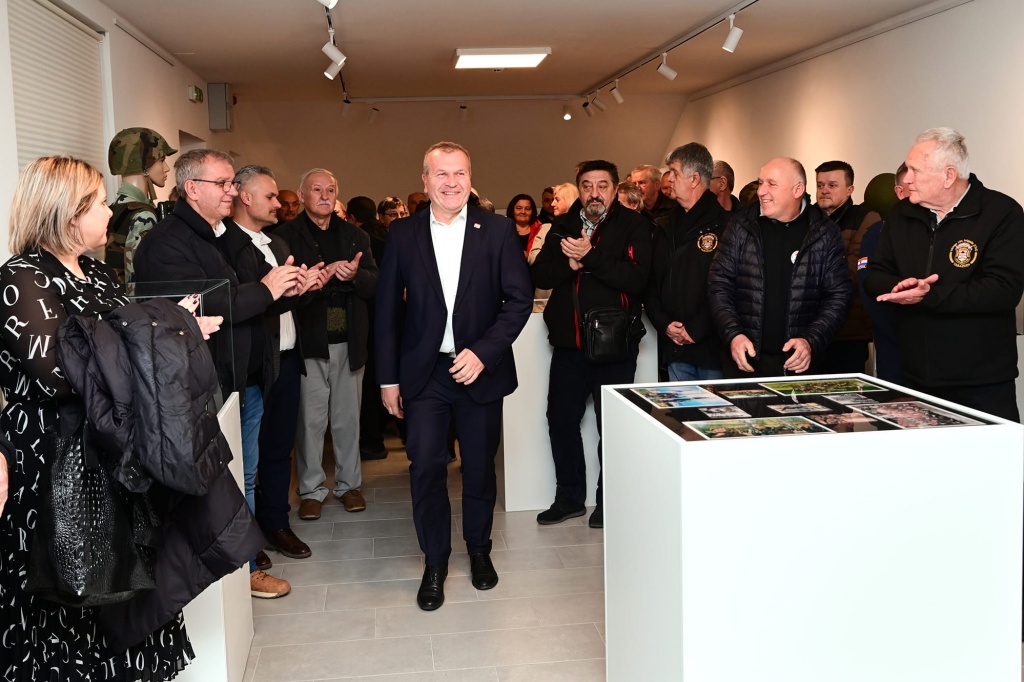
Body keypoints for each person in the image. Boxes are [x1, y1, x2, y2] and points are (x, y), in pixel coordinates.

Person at [0, 156, 214, 679]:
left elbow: (123, 347)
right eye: (98, 203)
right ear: (67, 213)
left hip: (111, 452)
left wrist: (168, 331)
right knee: (68, 584)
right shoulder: (22, 278)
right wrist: (161, 335)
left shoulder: (96, 271)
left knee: (126, 582)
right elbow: (63, 375)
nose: (108, 212)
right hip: (51, 458)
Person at [376, 141, 532, 611]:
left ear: (470, 178)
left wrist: (483, 352)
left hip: (480, 371)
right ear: (425, 181)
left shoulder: (497, 230)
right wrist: (387, 379)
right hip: (425, 374)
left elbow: (518, 300)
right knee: (426, 466)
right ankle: (435, 561)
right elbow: (387, 312)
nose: (451, 182)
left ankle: (479, 550)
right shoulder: (402, 234)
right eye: (440, 174)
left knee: (480, 468)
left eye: (459, 173)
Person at [864, 128, 1024, 421]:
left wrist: (929, 295)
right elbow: (874, 275)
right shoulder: (900, 215)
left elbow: (1003, 289)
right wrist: (900, 287)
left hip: (981, 383)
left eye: (915, 170)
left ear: (948, 176)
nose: (906, 178)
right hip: (915, 378)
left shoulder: (1002, 213)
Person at [532, 160, 652, 529]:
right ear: (579, 189)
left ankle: (608, 502)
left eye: (602, 185)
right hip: (568, 344)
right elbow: (539, 274)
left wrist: (589, 257)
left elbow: (636, 279)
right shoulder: (562, 225)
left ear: (615, 189)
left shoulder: (634, 225)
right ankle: (569, 498)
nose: (594, 193)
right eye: (587, 185)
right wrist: (569, 266)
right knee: (560, 420)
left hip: (614, 346)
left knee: (611, 427)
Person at [223, 164, 325, 593]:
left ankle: (276, 524)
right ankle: (251, 539)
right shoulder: (227, 246)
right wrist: (282, 291)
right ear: (245, 197)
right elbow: (245, 305)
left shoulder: (278, 242)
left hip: (286, 360)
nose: (278, 204)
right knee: (247, 459)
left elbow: (284, 302)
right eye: (269, 197)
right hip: (254, 366)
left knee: (279, 450)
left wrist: (306, 287)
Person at [274, 169, 379, 520]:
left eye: (330, 190)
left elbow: (374, 282)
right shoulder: (284, 236)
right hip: (308, 340)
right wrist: (309, 283)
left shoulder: (356, 235)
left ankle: (349, 486)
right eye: (316, 190)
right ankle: (310, 490)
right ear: (302, 195)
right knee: (310, 422)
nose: (324, 196)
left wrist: (355, 275)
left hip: (349, 339)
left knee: (348, 419)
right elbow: (277, 292)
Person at [707, 157, 852, 377]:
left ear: (797, 190)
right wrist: (733, 335)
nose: (761, 191)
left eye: (771, 184)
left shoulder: (825, 233)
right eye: (760, 182)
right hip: (743, 363)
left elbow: (838, 296)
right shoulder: (740, 226)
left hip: (800, 366)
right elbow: (719, 284)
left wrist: (810, 341)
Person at [645, 143, 727, 381]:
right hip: (675, 348)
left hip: (712, 351)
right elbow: (650, 283)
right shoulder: (663, 226)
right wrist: (665, 324)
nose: (669, 179)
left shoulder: (727, 226)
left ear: (694, 179)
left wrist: (695, 329)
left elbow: (729, 287)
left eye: (674, 172)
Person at [814, 161, 881, 374]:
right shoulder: (805, 219)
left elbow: (851, 272)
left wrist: (808, 280)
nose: (824, 190)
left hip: (848, 330)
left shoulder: (866, 218)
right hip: (808, 329)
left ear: (850, 189)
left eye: (832, 185)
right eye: (820, 185)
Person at [106, 126, 177, 282]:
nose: (166, 168)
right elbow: (138, 278)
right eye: (161, 161)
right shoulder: (143, 215)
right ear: (144, 166)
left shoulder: (112, 209)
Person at [628, 164, 673, 228]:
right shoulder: (632, 209)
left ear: (657, 185)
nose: (637, 188)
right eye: (634, 184)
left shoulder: (674, 205)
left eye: (642, 182)